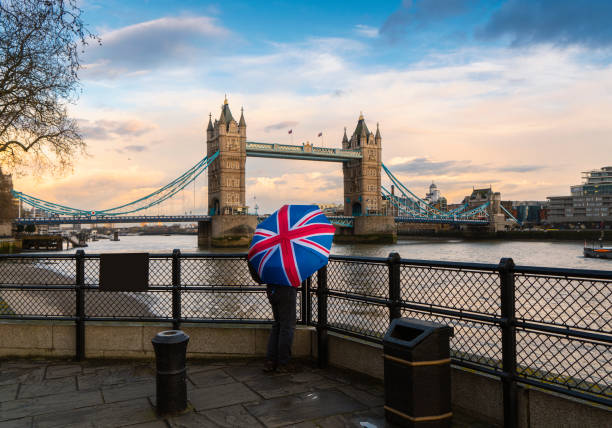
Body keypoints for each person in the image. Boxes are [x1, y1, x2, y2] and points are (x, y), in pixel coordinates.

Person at [248, 260, 298, 373]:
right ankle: (283, 363)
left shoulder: (265, 252)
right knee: (287, 326)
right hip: (286, 288)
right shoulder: (288, 252)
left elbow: (258, 277)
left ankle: (270, 361)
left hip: (271, 289)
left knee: (277, 324)